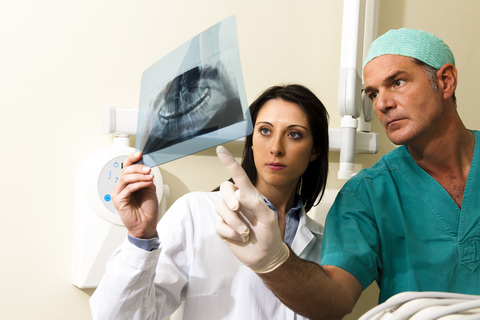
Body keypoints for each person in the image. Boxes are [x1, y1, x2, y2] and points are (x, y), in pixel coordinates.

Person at [214, 28, 480, 320]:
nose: (382, 104)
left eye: (398, 82)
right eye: (373, 93)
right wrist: (274, 261)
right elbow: (335, 299)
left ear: (445, 81)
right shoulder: (365, 195)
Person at [89, 84, 330, 319]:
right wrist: (140, 238)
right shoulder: (196, 214)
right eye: (265, 130)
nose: (276, 148)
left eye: (294, 134)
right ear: (252, 140)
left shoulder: (324, 244)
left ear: (315, 150)